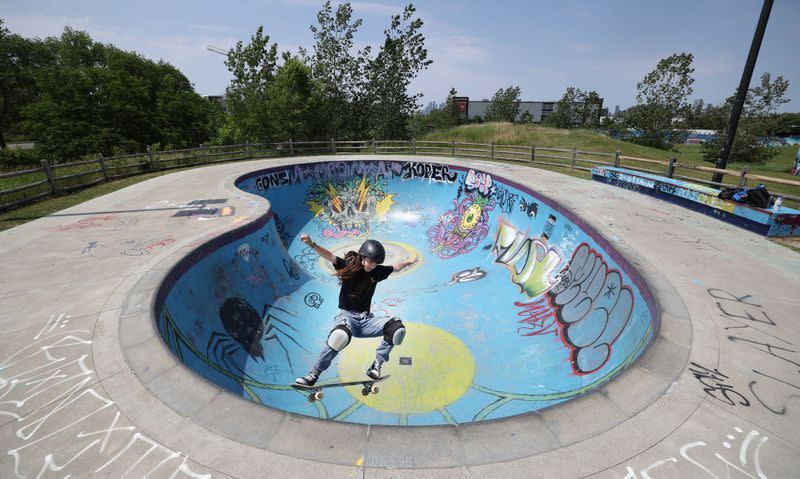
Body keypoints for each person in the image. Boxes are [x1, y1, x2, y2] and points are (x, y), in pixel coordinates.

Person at [295, 233, 418, 386]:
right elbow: (329, 256)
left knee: (396, 328)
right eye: (370, 262)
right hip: (347, 318)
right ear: (362, 257)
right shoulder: (350, 265)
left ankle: (376, 365)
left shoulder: (377, 272)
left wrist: (409, 262)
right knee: (339, 337)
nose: (371, 266)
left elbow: (396, 267)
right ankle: (313, 374)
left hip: (367, 321)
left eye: (375, 263)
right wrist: (312, 244)